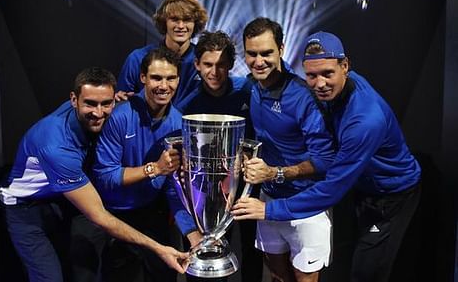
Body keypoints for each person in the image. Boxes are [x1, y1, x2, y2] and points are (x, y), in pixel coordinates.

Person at [234, 31, 422, 282]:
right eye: (311, 75)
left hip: (391, 195)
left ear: (345, 66)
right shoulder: (327, 88)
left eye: (327, 74)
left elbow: (332, 188)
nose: (319, 83)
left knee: (366, 273)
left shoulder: (364, 121)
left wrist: (270, 209)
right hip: (360, 190)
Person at [0, 67, 189, 282]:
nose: (99, 113)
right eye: (90, 103)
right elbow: (99, 216)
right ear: (74, 100)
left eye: (106, 103)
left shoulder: (104, 111)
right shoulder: (56, 146)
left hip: (62, 199)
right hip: (27, 208)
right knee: (49, 277)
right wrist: (159, 249)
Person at [231, 18, 335, 282]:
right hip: (269, 200)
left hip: (306, 203)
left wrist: (273, 173)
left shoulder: (303, 96)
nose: (258, 61)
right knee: (277, 277)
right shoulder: (252, 87)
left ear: (281, 49)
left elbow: (324, 161)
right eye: (252, 54)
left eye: (266, 53)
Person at [90, 47, 202, 282]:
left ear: (178, 80)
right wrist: (155, 168)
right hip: (113, 216)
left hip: (153, 214)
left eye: (170, 78)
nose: (164, 85)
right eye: (156, 78)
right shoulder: (120, 116)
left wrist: (192, 233)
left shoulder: (178, 122)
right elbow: (105, 177)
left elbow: (173, 187)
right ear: (143, 78)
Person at [175, 31, 262, 282]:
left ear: (231, 65)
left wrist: (247, 155)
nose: (215, 71)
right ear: (197, 65)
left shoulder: (246, 91)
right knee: (204, 252)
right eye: (208, 64)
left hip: (243, 185)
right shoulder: (187, 105)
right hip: (202, 190)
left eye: (221, 65)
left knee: (251, 249)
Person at [116, 0, 208, 105]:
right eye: (174, 19)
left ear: (195, 23)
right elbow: (122, 101)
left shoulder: (205, 61)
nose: (180, 26)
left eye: (187, 19)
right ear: (164, 22)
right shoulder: (137, 58)